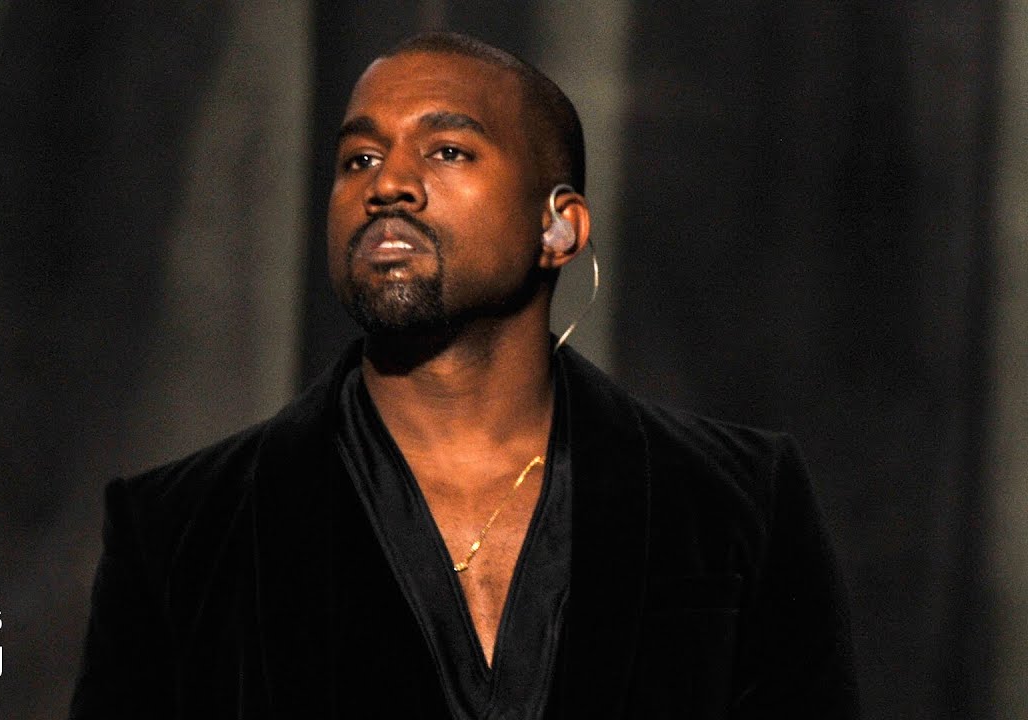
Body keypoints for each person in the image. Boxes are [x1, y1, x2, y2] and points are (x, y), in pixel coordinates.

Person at [69, 31, 859, 719]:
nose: (387, 184)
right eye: (359, 158)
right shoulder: (179, 533)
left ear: (559, 226)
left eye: (446, 150)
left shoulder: (736, 504)